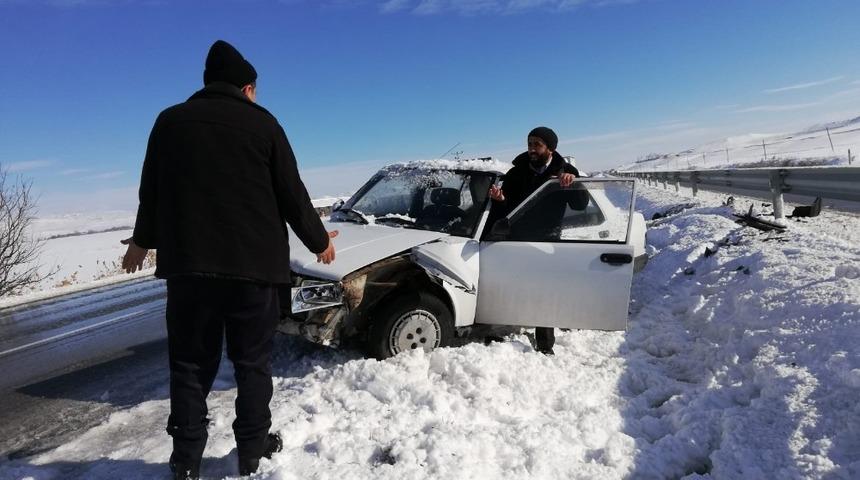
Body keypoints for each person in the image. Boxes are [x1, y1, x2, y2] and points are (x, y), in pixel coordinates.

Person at [121, 40, 337, 479]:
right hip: (253, 271)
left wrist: (141, 242)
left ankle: (185, 461)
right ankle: (253, 449)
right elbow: (291, 193)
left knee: (188, 364)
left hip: (189, 269)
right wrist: (317, 240)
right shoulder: (263, 124)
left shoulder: (169, 122)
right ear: (248, 88)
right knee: (252, 363)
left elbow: (152, 192)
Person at [486, 126, 582, 355]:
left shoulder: (565, 171)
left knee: (543, 292)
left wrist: (573, 183)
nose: (531, 149)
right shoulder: (516, 172)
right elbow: (506, 207)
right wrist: (500, 199)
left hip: (547, 241)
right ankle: (503, 331)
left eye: (537, 145)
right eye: (529, 144)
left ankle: (545, 345)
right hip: (517, 239)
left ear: (551, 148)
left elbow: (579, 205)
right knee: (513, 287)